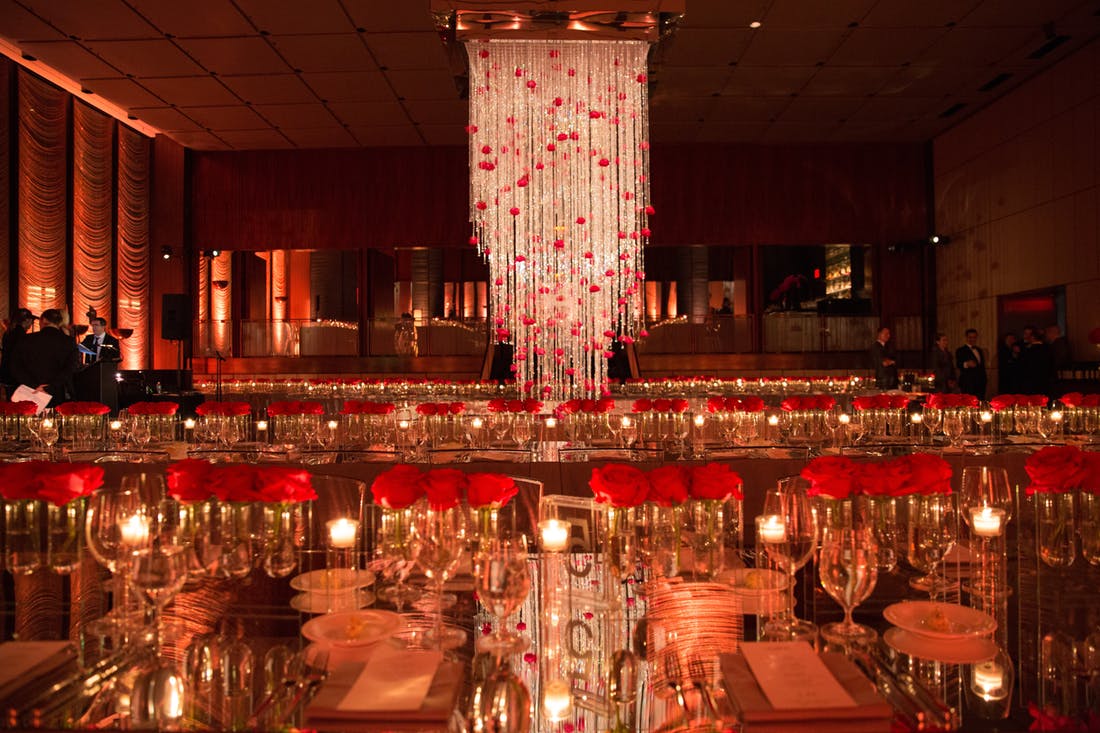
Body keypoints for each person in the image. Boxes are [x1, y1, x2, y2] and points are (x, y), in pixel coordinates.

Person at [11, 308, 80, 407]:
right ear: (59, 323)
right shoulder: (68, 341)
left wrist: (34, 386)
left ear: (43, 320)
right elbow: (71, 368)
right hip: (57, 392)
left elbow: (15, 366)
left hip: (29, 392)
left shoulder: (26, 339)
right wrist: (50, 387)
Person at [0, 308, 37, 397]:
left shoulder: (9, 332)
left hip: (7, 374)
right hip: (17, 377)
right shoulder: (21, 335)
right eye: (31, 321)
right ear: (27, 320)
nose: (31, 324)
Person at [955, 328, 987, 400]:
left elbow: (981, 366)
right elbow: (958, 364)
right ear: (966, 337)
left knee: (979, 403)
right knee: (968, 403)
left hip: (980, 383)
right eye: (970, 337)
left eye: (974, 337)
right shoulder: (961, 350)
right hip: (968, 383)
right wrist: (966, 364)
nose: (972, 339)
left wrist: (984, 380)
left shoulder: (979, 350)